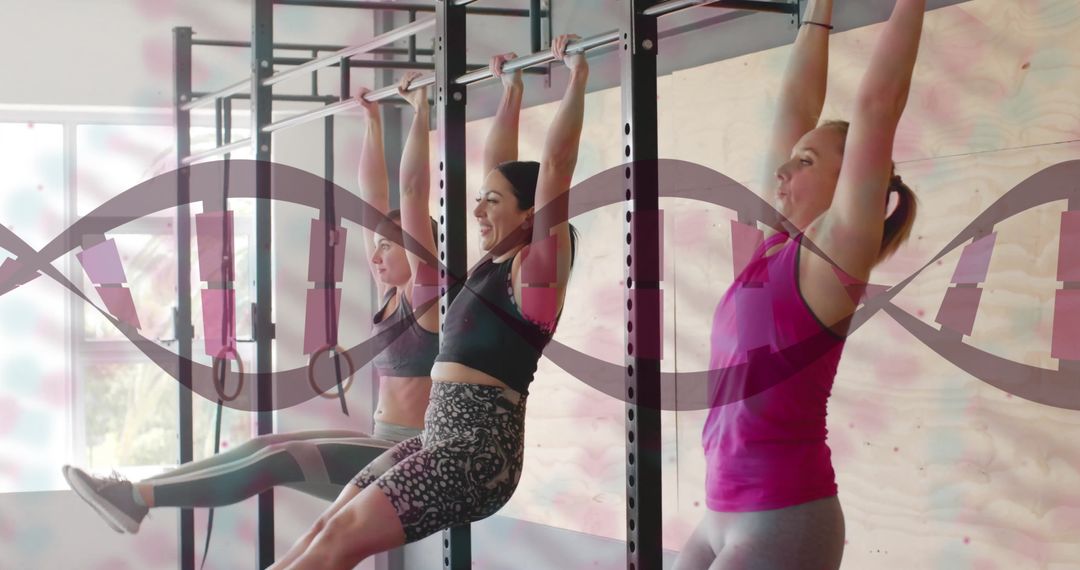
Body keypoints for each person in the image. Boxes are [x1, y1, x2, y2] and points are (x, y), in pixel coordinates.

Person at [61, 78, 441, 536]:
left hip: (414, 455)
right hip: (380, 443)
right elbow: (373, 197)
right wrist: (374, 122)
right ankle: (135, 496)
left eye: (388, 248)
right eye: (376, 246)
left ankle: (139, 498)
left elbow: (415, 192)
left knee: (276, 462)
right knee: (265, 445)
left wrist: (422, 110)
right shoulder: (392, 293)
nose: (375, 256)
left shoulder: (428, 296)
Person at [270, 34, 587, 569]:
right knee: (328, 528)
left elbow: (554, 166)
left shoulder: (536, 272)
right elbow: (499, 161)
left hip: (476, 457)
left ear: (530, 214)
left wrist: (577, 74)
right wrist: (509, 90)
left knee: (341, 539)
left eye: (493, 202)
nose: (478, 211)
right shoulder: (493, 263)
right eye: (480, 199)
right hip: (438, 439)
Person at [674, 1, 922, 568]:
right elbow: (795, 107)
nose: (783, 171)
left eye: (805, 161)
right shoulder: (773, 245)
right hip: (719, 511)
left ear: (854, 177)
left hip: (785, 514)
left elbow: (878, 105)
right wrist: (819, 9)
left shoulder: (831, 257)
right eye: (790, 159)